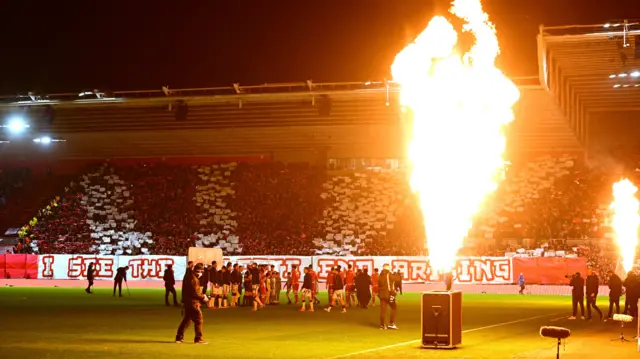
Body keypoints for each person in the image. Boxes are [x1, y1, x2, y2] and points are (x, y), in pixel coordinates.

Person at [175, 263, 208, 344]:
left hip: (187, 302)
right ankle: (198, 338)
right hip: (193, 302)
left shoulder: (187, 277)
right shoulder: (194, 280)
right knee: (198, 319)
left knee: (187, 320)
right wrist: (203, 297)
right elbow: (195, 293)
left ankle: (179, 337)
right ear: (199, 271)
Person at [378, 264, 400, 329]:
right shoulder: (389, 274)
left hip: (382, 295)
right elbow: (397, 279)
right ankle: (391, 323)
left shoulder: (380, 275)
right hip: (389, 294)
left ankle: (382, 325)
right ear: (388, 268)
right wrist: (395, 273)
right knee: (394, 307)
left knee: (383, 310)